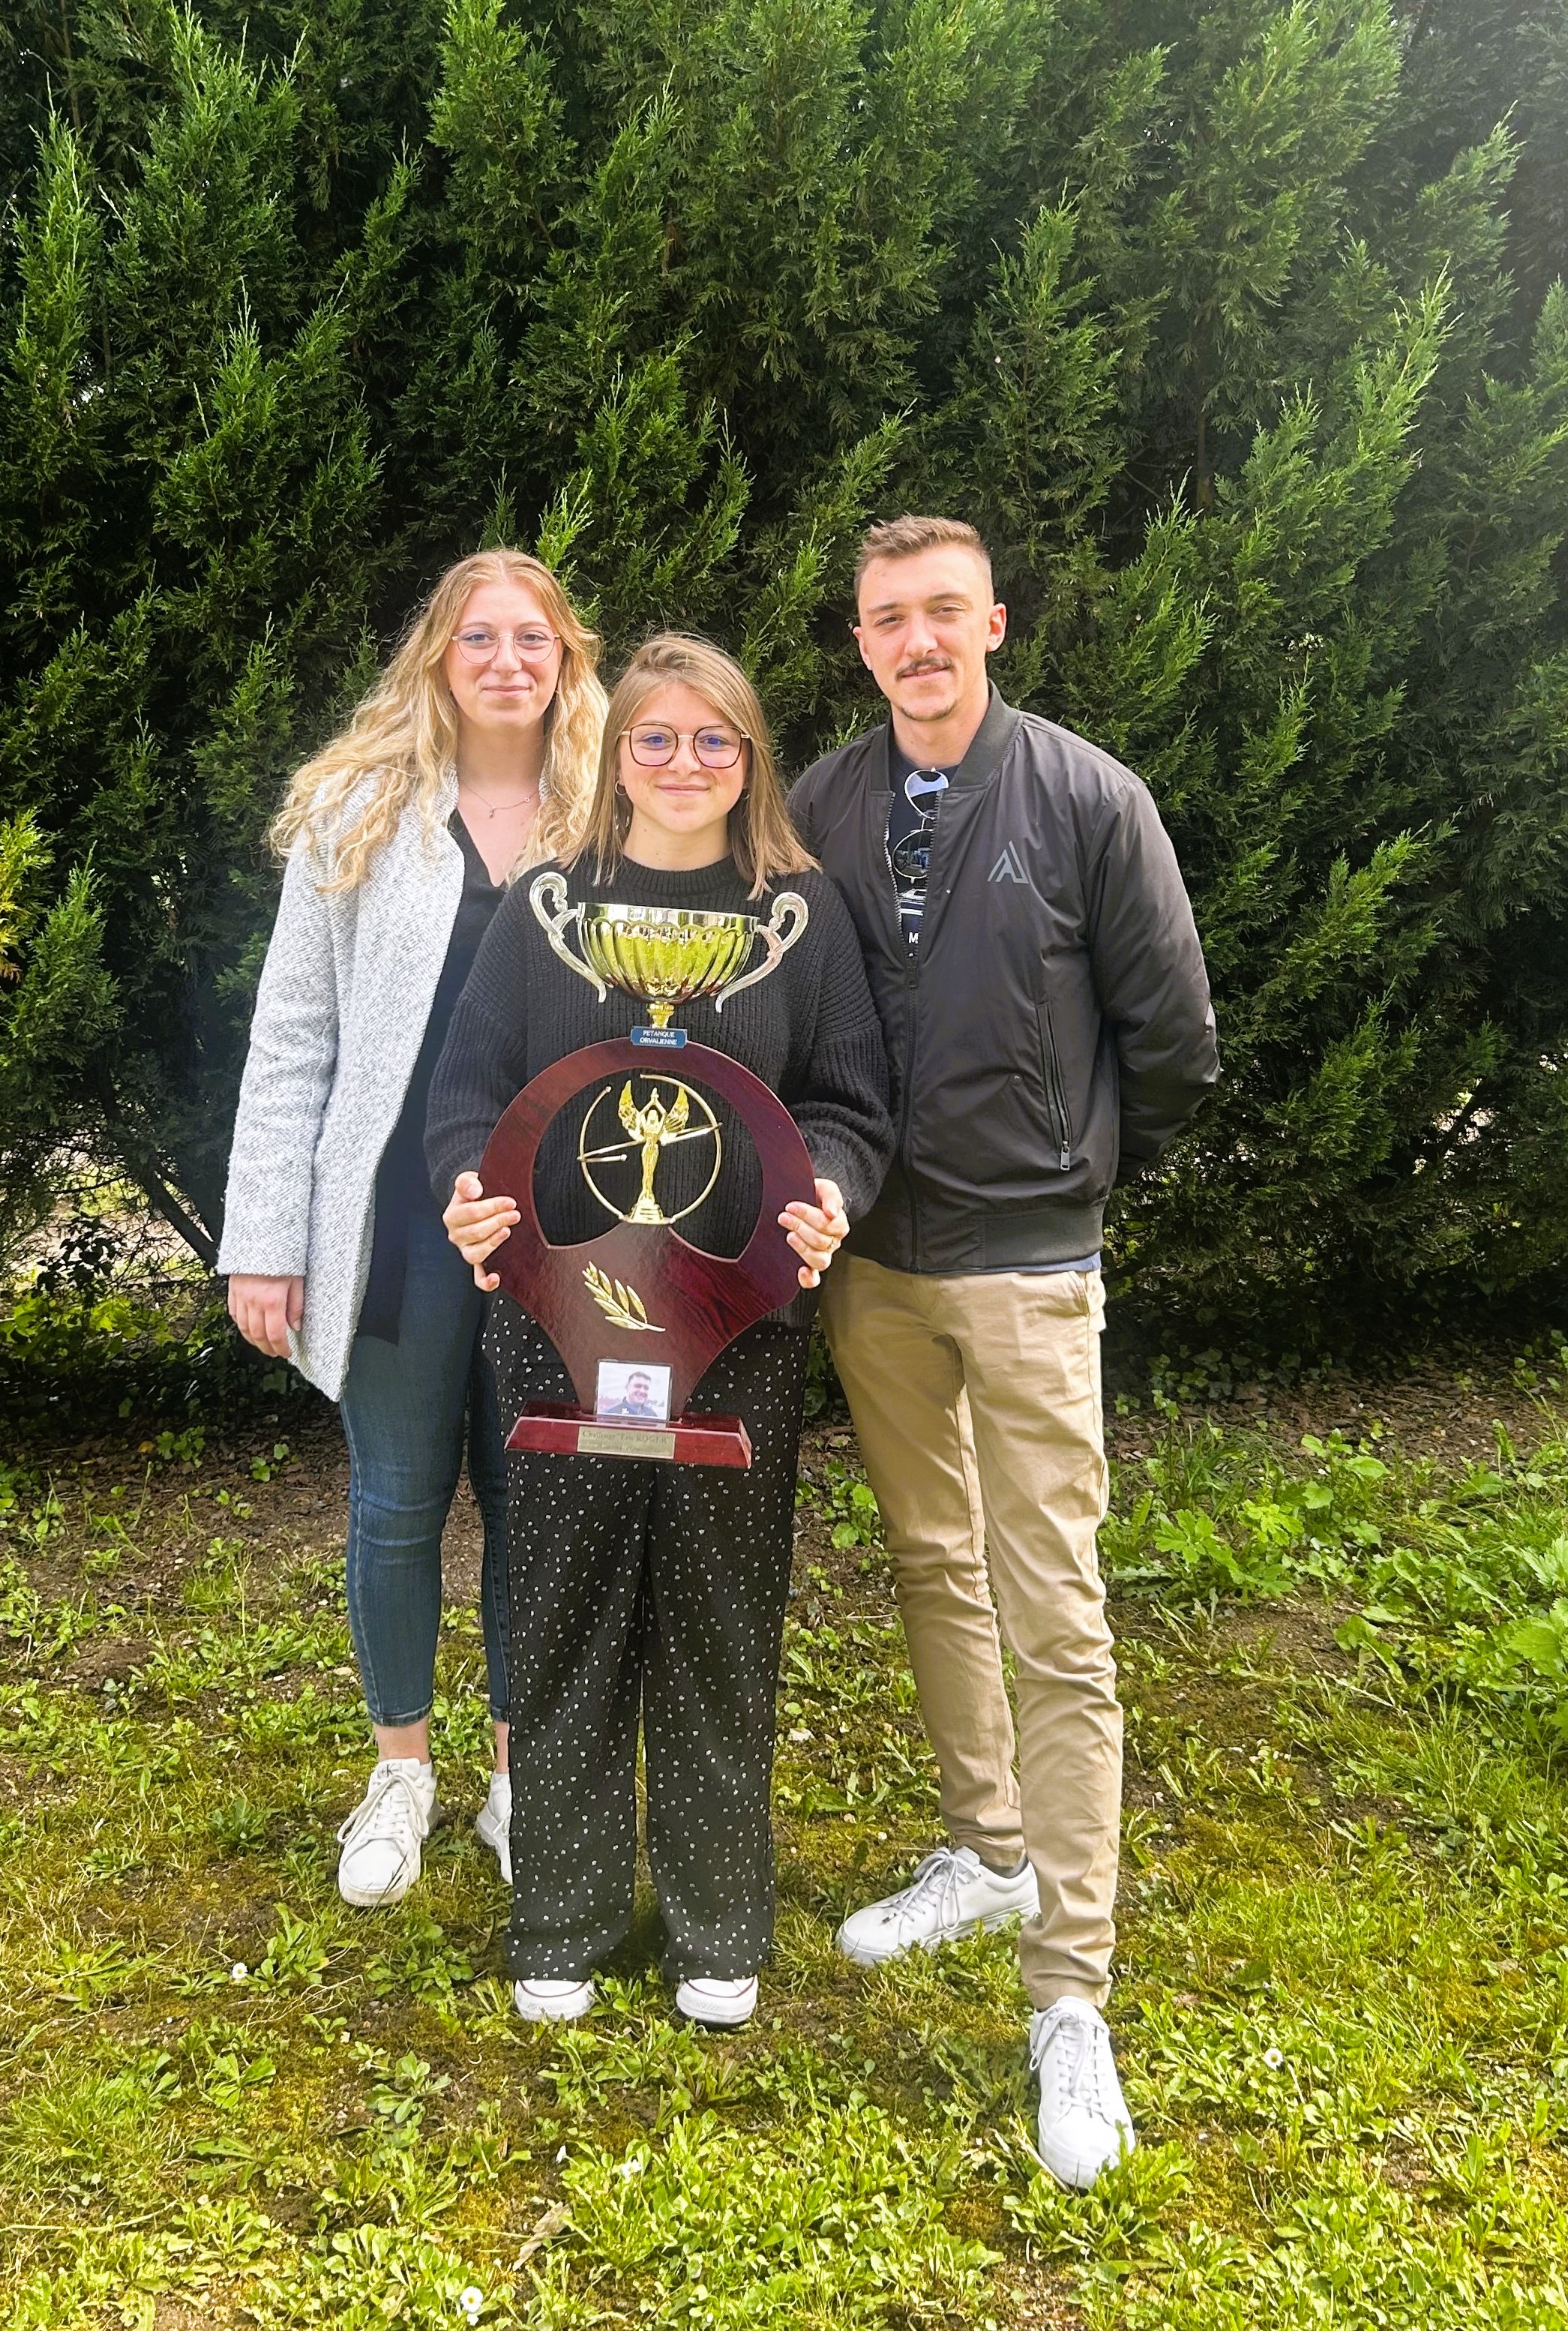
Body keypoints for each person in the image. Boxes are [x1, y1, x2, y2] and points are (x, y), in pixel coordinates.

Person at [791, 516, 1218, 2188]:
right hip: (875, 1266)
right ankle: (984, 1852)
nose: (918, 640)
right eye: (888, 618)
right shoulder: (822, 803)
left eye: (943, 613)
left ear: (994, 624)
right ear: (861, 639)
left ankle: (1069, 1999)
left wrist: (1077, 1165)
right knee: (928, 1559)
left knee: (1057, 1617)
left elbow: (1170, 1034)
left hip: (1030, 1265)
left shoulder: (1087, 798)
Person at [429, 634, 893, 2031]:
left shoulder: (795, 912)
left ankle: (715, 1922)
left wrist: (825, 1194)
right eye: (657, 739)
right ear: (615, 748)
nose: (684, 764)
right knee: (563, 1607)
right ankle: (562, 1915)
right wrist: (470, 1193)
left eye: (714, 742)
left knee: (718, 1616)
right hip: (558, 1314)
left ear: (749, 759)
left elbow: (851, 1104)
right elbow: (470, 1086)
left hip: (734, 1325)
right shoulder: (548, 907)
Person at [219, 550, 607, 1906]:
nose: (508, 661)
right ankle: (400, 1773)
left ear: (567, 657)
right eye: (479, 638)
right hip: (386, 1219)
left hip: (556, 1224)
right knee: (394, 1506)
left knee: (527, 1503)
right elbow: (293, 1038)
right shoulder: (355, 810)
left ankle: (513, 1776)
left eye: (533, 638)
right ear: (438, 657)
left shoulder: (612, 814)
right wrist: (261, 1238)